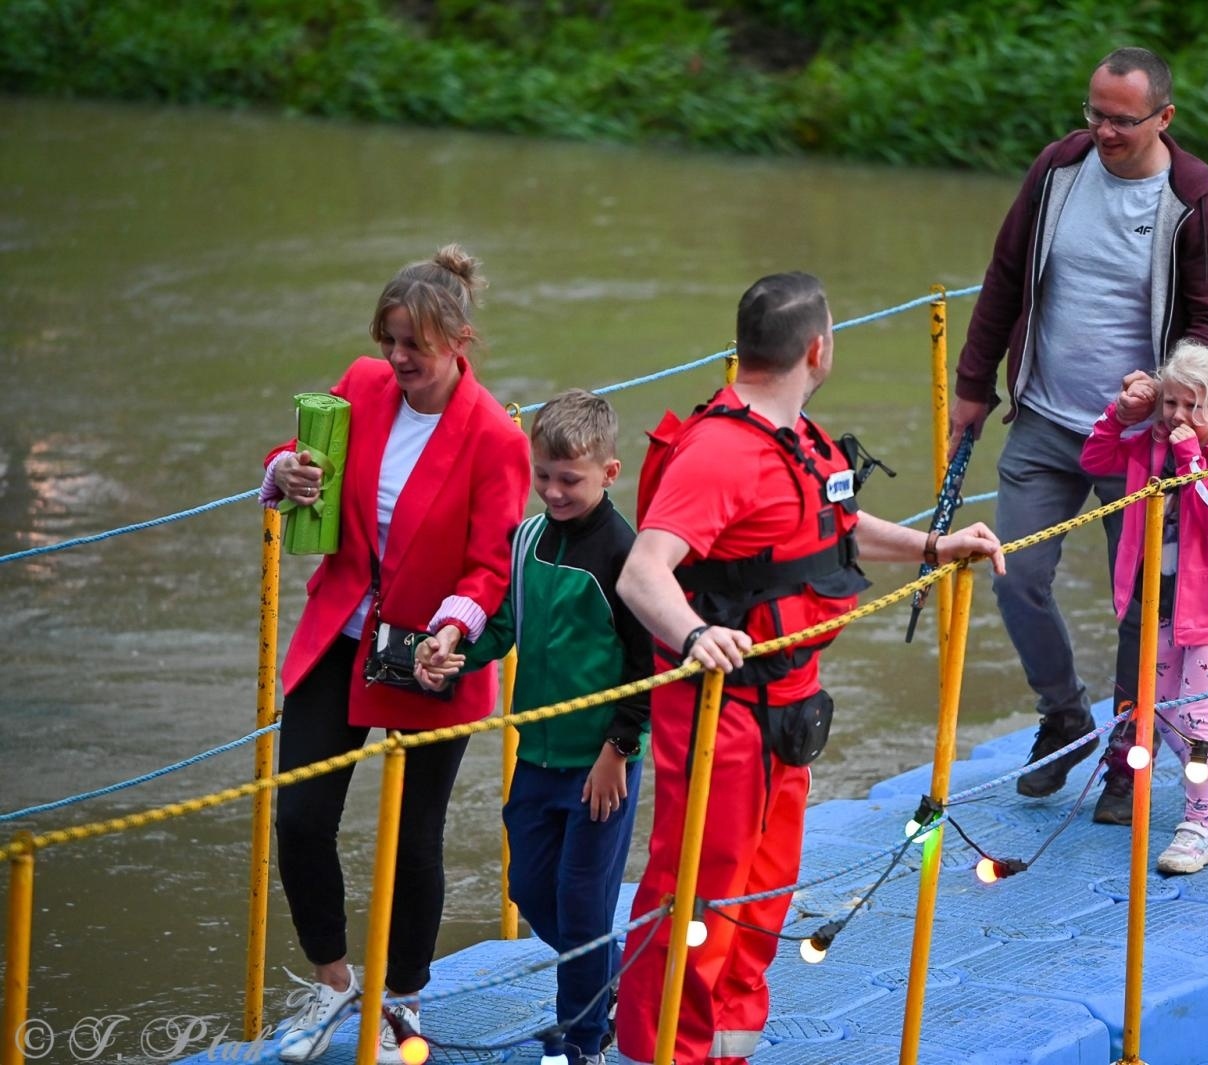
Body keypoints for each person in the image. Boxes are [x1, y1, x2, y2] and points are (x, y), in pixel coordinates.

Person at [612, 272, 1006, 1065]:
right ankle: (660, 1055)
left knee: (762, 894)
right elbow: (643, 570)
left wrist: (934, 545)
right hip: (720, 707)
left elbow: (836, 529)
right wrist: (693, 636)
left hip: (788, 709)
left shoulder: (798, 440)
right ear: (818, 348)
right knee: (699, 894)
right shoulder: (719, 452)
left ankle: (727, 1048)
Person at [949, 45, 1208, 822]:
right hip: (1044, 415)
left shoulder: (1193, 197)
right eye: (1095, 114)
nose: (1104, 131)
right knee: (1015, 574)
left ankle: (1125, 753)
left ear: (1163, 118)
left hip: (1140, 439)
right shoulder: (1058, 169)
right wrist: (973, 385)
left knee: (1140, 607)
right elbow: (1006, 274)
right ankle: (1066, 715)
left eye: (1122, 120)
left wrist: (1168, 389)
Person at [261, 245, 532, 1063]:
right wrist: (287, 472)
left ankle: (404, 1001)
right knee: (300, 815)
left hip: (431, 656)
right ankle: (335, 983)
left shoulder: (494, 436)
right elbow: (297, 455)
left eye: (412, 342)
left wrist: (453, 628)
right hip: (342, 636)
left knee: (414, 839)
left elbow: (492, 563)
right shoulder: (362, 384)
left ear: (460, 341)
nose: (397, 358)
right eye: (388, 338)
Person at [414, 388, 651, 1065]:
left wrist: (618, 750)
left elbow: (647, 666)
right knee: (528, 889)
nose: (552, 490)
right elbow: (507, 627)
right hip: (536, 757)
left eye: (569, 478)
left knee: (580, 906)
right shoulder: (525, 542)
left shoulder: (624, 556)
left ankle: (582, 1042)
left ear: (610, 473)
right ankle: (609, 975)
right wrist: (455, 655)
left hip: (600, 765)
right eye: (542, 474)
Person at [1080, 343, 1208, 874]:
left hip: (1207, 615)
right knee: (1159, 712)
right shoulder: (1147, 447)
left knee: (1197, 719)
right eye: (1171, 404)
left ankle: (1199, 825)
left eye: (1192, 407)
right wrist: (1121, 412)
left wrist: (1188, 458)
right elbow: (1093, 459)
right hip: (1156, 604)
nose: (1178, 417)